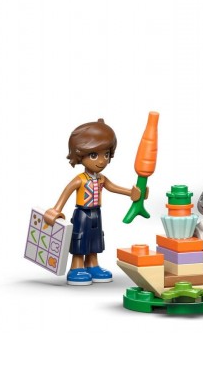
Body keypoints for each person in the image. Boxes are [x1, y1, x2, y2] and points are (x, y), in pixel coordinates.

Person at [44, 118, 141, 285]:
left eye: (106, 154)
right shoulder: (80, 179)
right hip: (82, 214)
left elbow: (112, 187)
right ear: (80, 154)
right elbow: (67, 191)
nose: (102, 161)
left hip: (96, 213)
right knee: (80, 239)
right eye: (94, 155)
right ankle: (76, 267)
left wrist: (131, 193)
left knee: (95, 239)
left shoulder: (101, 178)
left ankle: (92, 265)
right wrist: (56, 209)